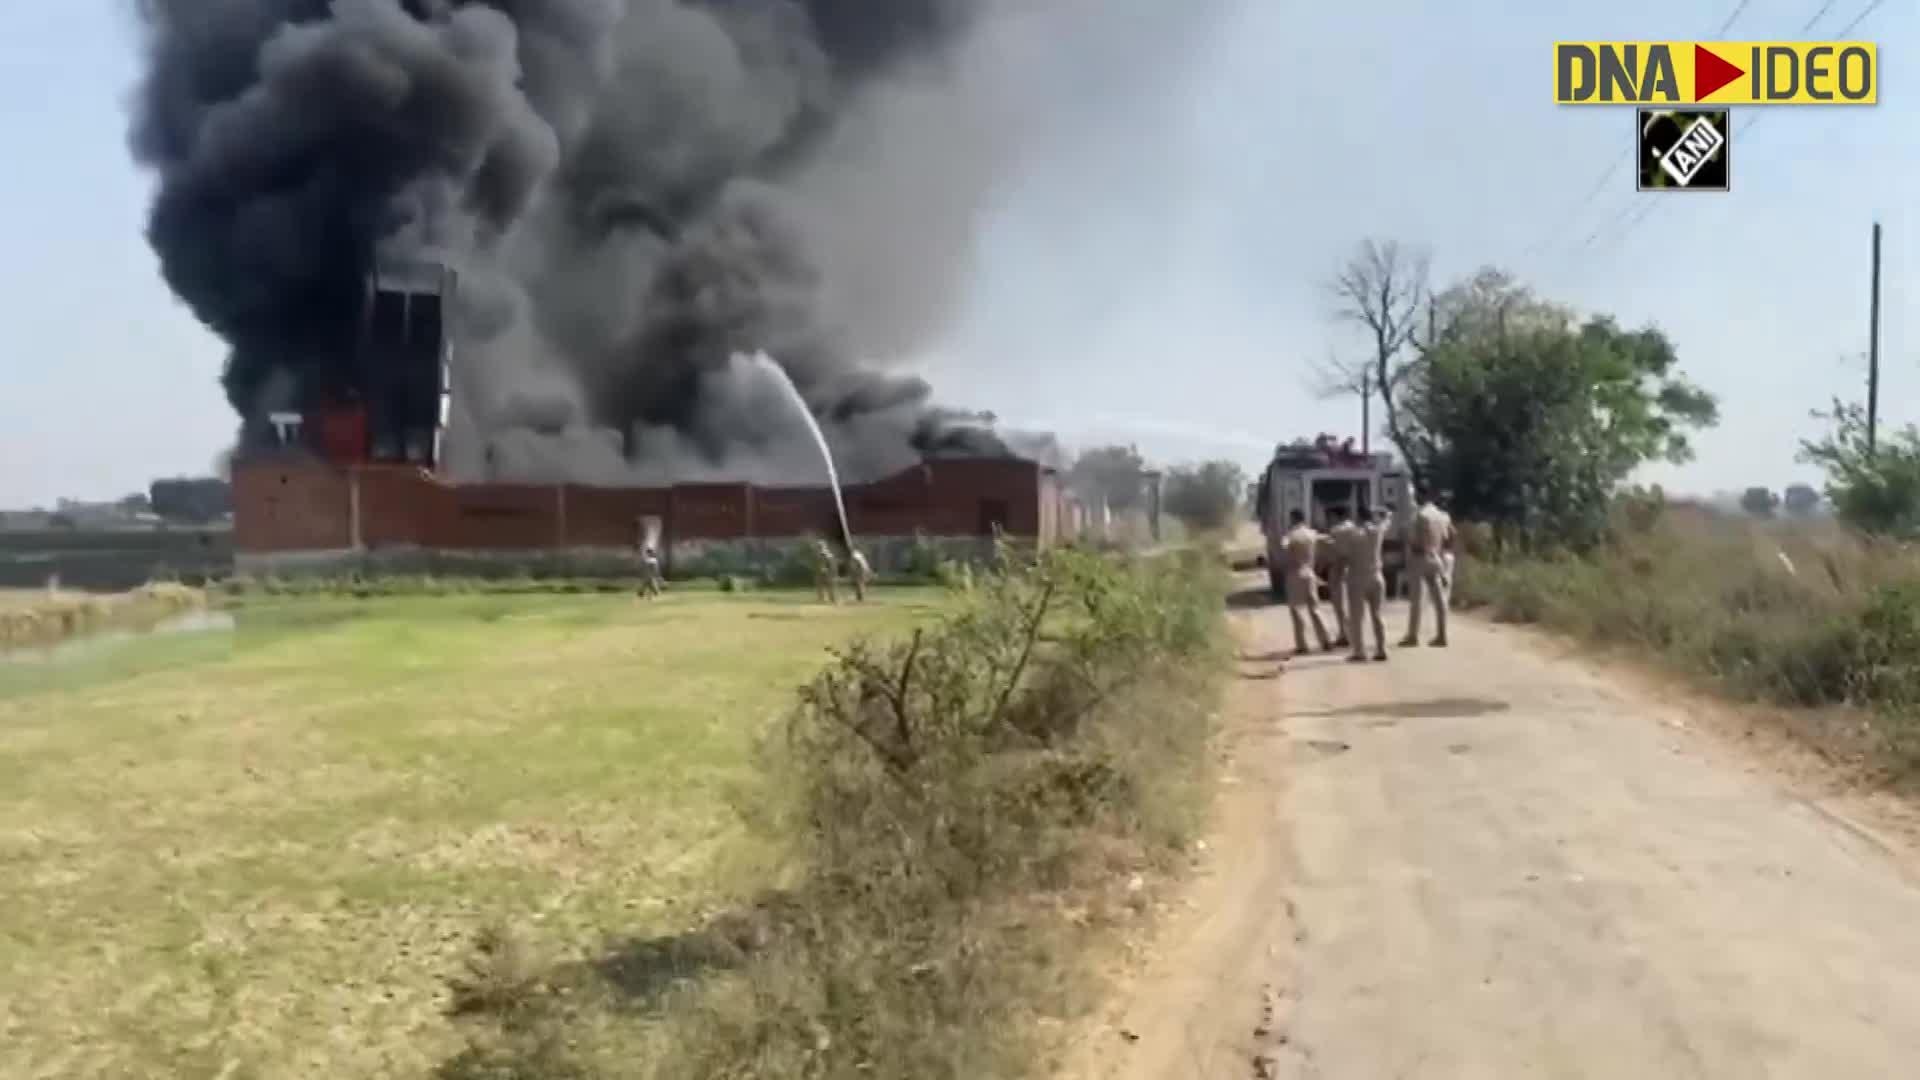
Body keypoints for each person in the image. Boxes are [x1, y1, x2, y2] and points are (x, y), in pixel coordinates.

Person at [1402, 489, 1455, 648]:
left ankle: (1413, 636)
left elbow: (1412, 538)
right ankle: (1442, 634)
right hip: (1436, 557)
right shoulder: (1442, 516)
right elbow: (1447, 537)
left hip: (1420, 557)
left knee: (1417, 600)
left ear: (1420, 497)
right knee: (1439, 600)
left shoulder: (1420, 515)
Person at [1281, 510, 1334, 656]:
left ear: (1293, 519)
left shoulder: (1290, 535)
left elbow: (1284, 548)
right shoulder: (1311, 533)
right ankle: (1326, 640)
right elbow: (1328, 539)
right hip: (1310, 573)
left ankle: (1302, 645)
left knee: (1297, 611)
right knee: (1315, 609)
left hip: (1295, 573)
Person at [1345, 507, 1390, 662]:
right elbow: (1387, 518)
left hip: (1358, 577)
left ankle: (1359, 651)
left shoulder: (1353, 534)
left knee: (1357, 617)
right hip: (1377, 576)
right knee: (1378, 615)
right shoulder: (1378, 531)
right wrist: (1380, 513)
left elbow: (1344, 553)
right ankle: (1381, 649)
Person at [1322, 505, 1357, 651]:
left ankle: (1345, 635)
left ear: (1336, 516)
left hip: (1338, 568)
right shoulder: (1354, 528)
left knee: (1339, 604)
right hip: (1354, 568)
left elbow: (1331, 553)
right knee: (1351, 604)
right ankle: (1350, 633)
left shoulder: (1336, 531)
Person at [812, 538, 840, 604]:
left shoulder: (828, 554)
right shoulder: (818, 554)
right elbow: (817, 563)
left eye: (821, 545)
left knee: (830, 586)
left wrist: (829, 570)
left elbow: (832, 564)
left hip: (828, 573)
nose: (819, 547)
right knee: (819, 586)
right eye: (819, 545)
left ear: (824, 546)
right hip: (820, 573)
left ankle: (832, 599)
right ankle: (821, 598)